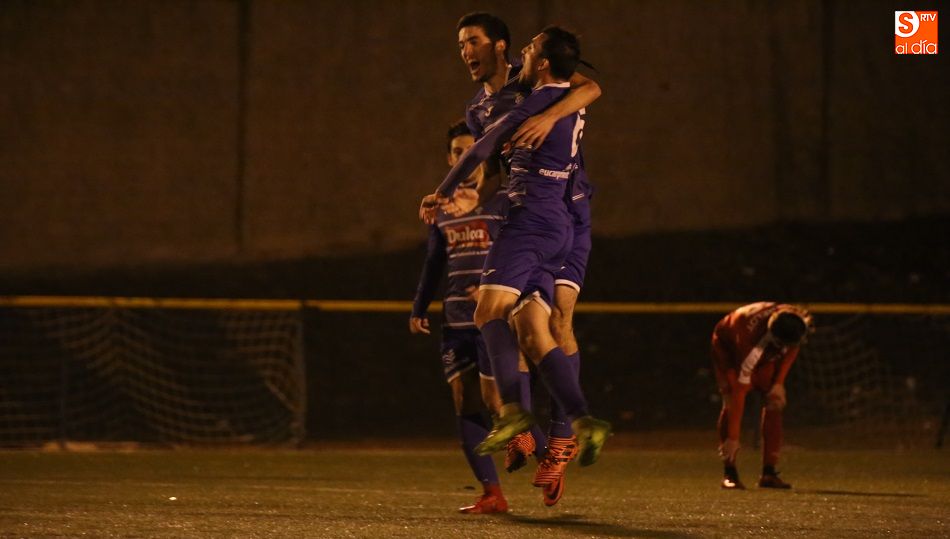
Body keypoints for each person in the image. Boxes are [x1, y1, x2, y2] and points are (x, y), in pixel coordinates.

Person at [421, 26, 611, 481]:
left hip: (556, 213)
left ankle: (542, 425)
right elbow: (496, 162)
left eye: (472, 41)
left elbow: (591, 86)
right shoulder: (481, 106)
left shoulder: (533, 93)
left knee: (525, 315)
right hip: (540, 218)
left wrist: (441, 192)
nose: (465, 51)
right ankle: (574, 421)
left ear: (499, 47)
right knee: (528, 326)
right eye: (460, 44)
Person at [410, 120, 511, 514]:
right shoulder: (442, 210)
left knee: (503, 404)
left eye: (472, 152)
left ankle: (551, 454)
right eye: (456, 153)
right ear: (449, 158)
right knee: (464, 400)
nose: (464, 160)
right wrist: (419, 308)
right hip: (456, 325)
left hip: (498, 322)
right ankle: (492, 493)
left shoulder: (504, 201)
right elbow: (434, 263)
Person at [710, 302, 813, 489]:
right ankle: (730, 472)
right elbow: (739, 395)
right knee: (730, 399)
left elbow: (793, 347)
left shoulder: (794, 319)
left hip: (760, 344)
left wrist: (779, 383)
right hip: (727, 348)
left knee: (775, 400)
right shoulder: (750, 344)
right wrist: (733, 439)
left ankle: (769, 473)